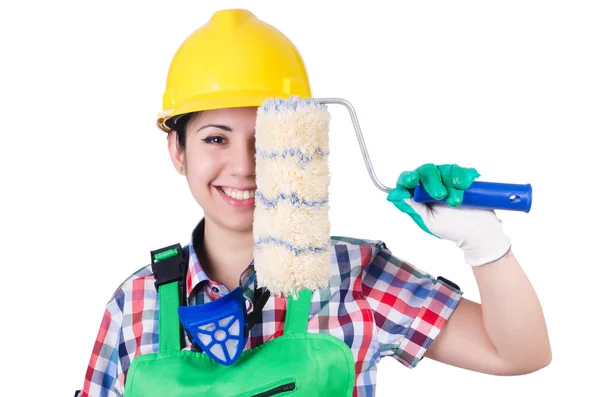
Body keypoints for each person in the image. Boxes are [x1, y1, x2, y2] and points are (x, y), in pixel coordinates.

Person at [77, 8, 551, 397]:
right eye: (216, 139)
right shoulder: (134, 304)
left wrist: (484, 244)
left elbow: (519, 353)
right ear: (178, 151)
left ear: (300, 145)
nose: (244, 166)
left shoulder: (355, 277)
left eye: (267, 140)